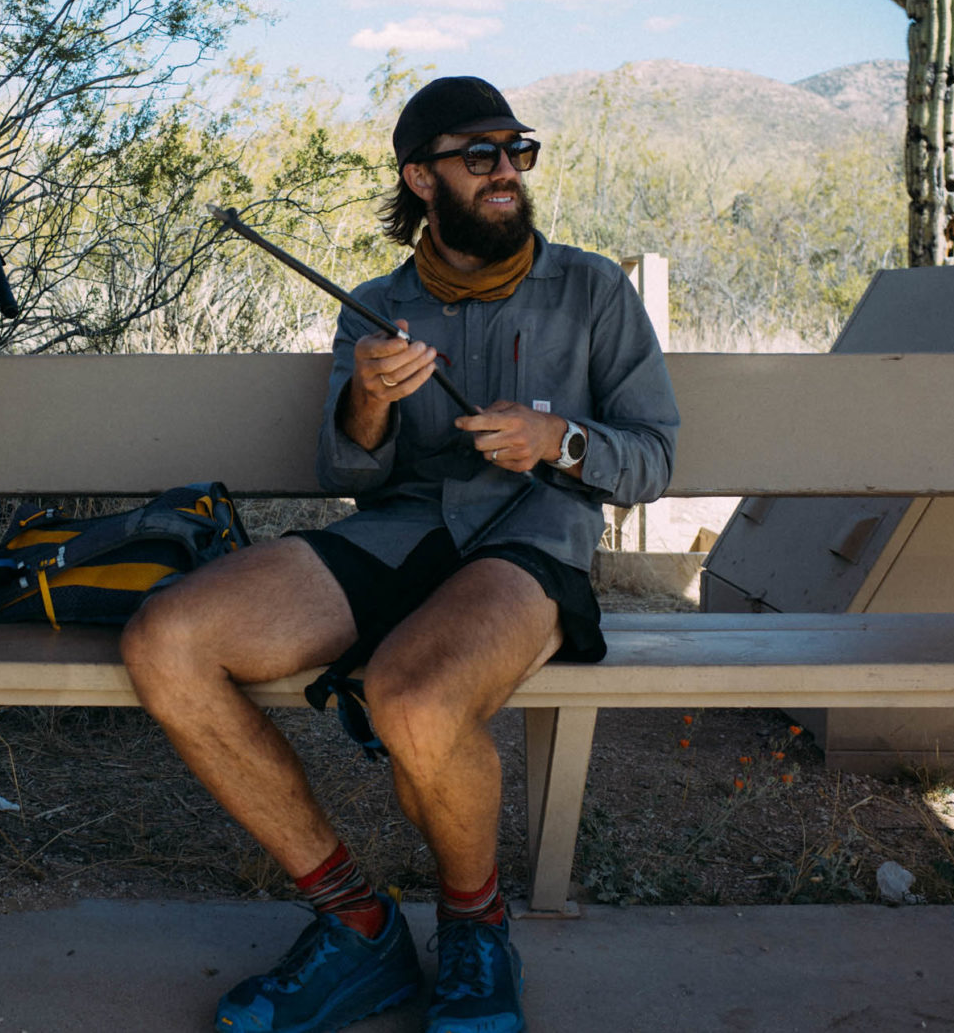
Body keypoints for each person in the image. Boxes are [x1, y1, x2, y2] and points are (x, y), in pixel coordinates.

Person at [122, 75, 679, 1033]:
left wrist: (562, 442)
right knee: (166, 640)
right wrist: (370, 397)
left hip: (531, 542)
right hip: (401, 530)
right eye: (481, 155)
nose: (508, 171)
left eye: (518, 151)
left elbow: (655, 455)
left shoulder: (592, 289)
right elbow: (351, 471)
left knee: (413, 696)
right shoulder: (379, 305)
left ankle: (475, 929)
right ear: (422, 177)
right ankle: (356, 925)